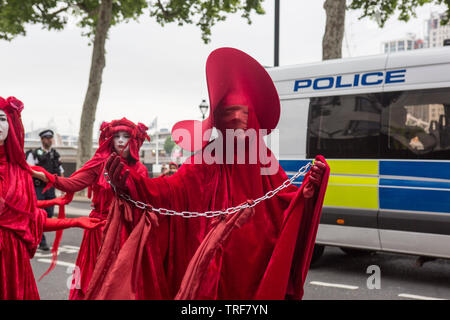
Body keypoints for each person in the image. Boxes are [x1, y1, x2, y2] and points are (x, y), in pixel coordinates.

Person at [85, 48, 329, 300]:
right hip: (214, 272)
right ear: (218, 120)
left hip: (255, 269)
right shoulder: (207, 159)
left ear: (252, 115)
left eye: (242, 110)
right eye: (228, 111)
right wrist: (131, 182)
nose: (236, 117)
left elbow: (287, 201)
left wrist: (310, 188)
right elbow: (169, 190)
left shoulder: (264, 158)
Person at [33, 118, 150, 300]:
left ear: (134, 141)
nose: (120, 140)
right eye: (116, 136)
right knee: (92, 281)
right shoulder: (99, 163)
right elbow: (72, 184)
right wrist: (46, 176)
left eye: (125, 136)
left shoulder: (141, 170)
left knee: (122, 284)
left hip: (127, 233)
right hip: (98, 231)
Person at [0, 96, 105, 300]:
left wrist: (74, 221)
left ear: (11, 124)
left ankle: (43, 242)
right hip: (40, 187)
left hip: (13, 262)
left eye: (2, 118)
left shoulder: (20, 172)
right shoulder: (33, 157)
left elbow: (32, 219)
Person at [26, 129, 64, 251]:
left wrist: (63, 187)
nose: (49, 140)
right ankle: (42, 242)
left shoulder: (55, 154)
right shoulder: (34, 154)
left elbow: (60, 170)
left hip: (50, 189)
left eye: (50, 138)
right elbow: (28, 170)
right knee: (38, 213)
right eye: (46, 138)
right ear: (42, 139)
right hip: (38, 187)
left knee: (49, 214)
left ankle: (35, 234)